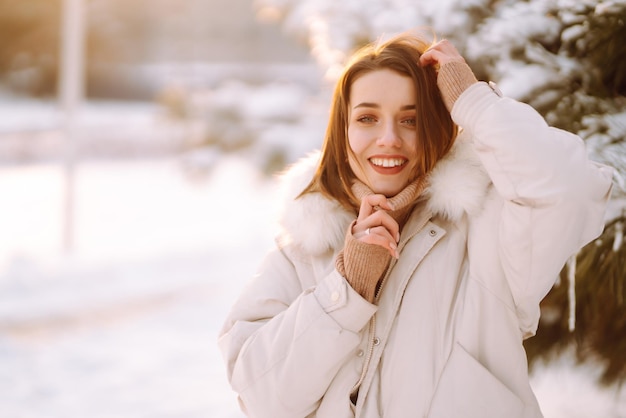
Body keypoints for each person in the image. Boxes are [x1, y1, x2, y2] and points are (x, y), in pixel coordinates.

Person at [218, 31, 614, 418]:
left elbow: (572, 189)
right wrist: (348, 288)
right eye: (368, 117)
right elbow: (261, 396)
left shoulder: (489, 224)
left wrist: (474, 104)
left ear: (438, 125)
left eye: (412, 119)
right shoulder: (305, 245)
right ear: (344, 130)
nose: (388, 138)